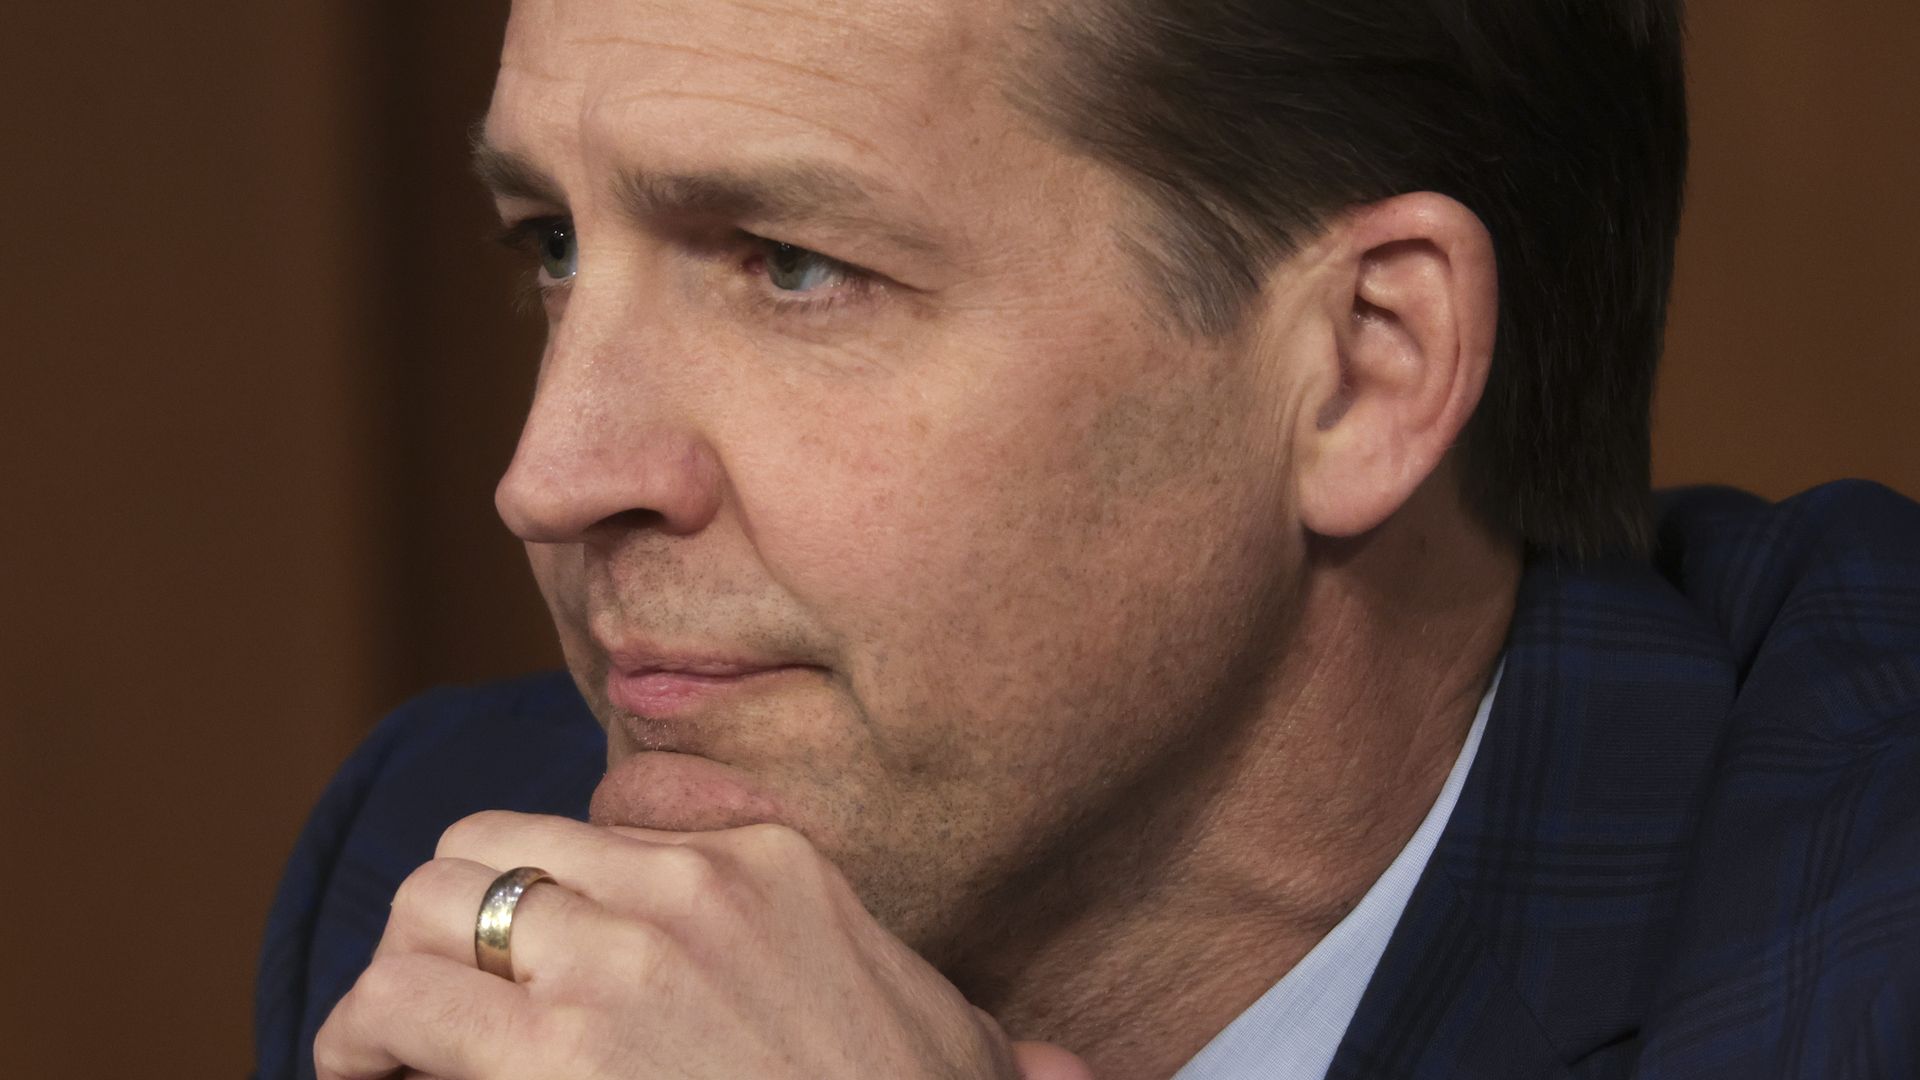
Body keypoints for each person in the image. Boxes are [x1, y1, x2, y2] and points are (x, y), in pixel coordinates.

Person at [254, 0, 1920, 1077]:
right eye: (551, 243)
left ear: (1362, 367)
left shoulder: (1866, 927)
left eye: (789, 263)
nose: (550, 472)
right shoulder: (467, 887)